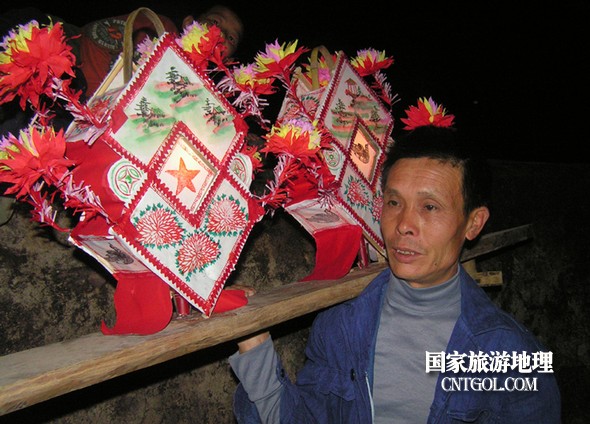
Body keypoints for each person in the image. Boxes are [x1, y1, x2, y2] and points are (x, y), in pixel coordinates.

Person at [228, 109, 561, 422]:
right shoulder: (341, 329)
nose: (403, 225)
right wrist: (253, 340)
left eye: (429, 207)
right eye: (394, 202)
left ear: (473, 223)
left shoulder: (511, 358)